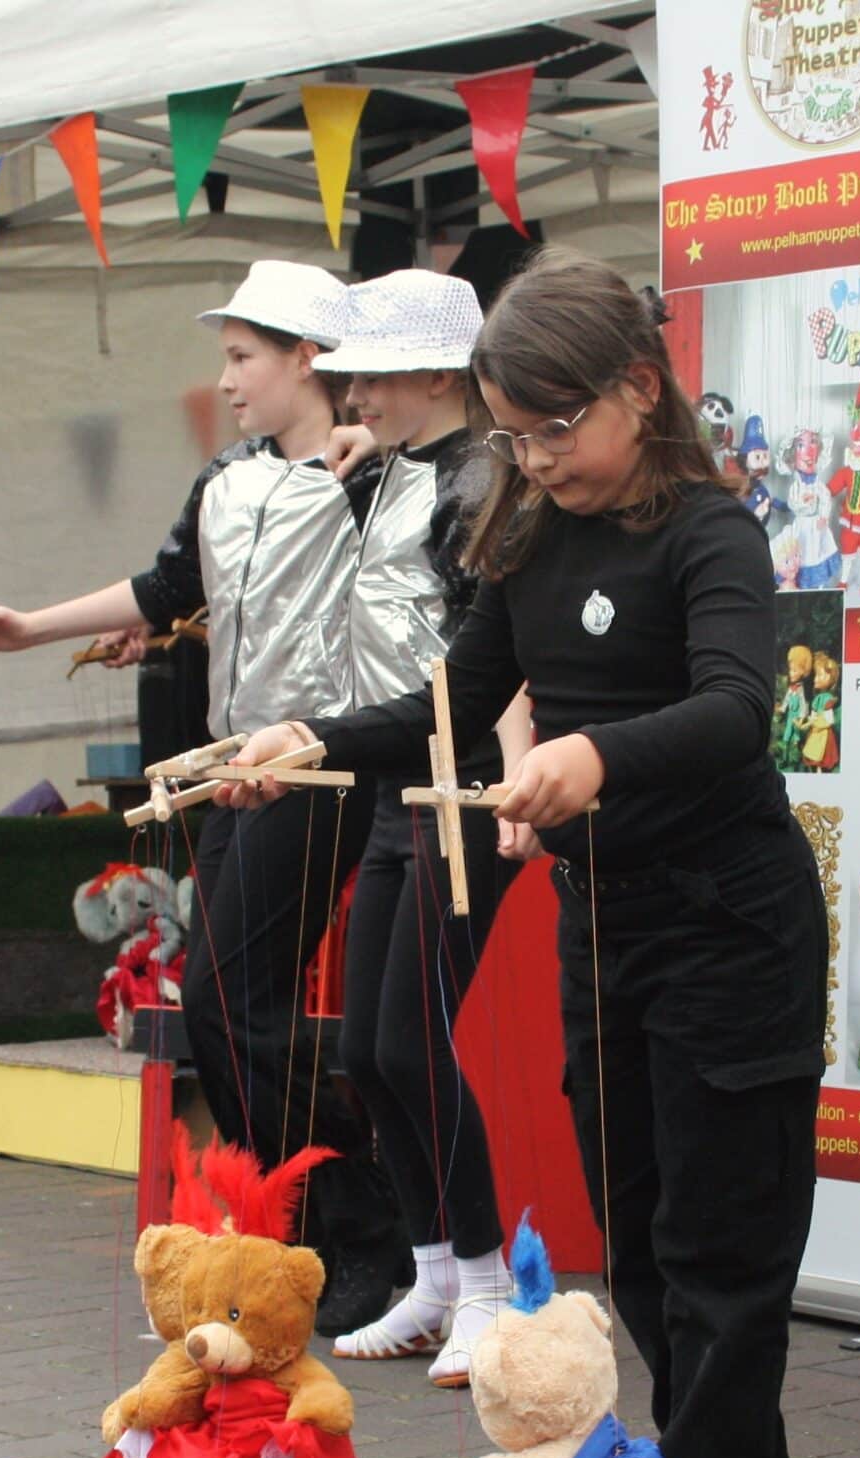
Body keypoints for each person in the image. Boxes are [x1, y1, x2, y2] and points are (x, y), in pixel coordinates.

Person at [218, 247, 826, 1458]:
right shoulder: (533, 533)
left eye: (557, 427)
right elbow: (451, 700)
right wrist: (315, 738)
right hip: (605, 925)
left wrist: (594, 760)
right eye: (515, 433)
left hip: (730, 926)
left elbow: (739, 712)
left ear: (634, 389)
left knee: (720, 1235)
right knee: (638, 1222)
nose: (538, 459)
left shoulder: (708, 533)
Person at [0, 261, 407, 1335]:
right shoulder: (227, 477)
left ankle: (350, 1215)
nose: (230, 377)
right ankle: (302, 1217)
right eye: (228, 357)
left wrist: (374, 451)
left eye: (246, 356)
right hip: (228, 769)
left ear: (311, 358)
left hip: (322, 762)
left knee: (226, 1000)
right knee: (224, 1004)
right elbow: (168, 589)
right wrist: (34, 626)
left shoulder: (376, 480)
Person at [310, 269, 533, 1387]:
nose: (353, 397)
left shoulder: (485, 475)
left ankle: (487, 1278)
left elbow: (503, 657)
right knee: (367, 1047)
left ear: (439, 373)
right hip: (400, 781)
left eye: (374, 376)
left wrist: (518, 783)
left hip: (462, 785)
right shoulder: (399, 468)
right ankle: (437, 1269)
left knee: (414, 1041)